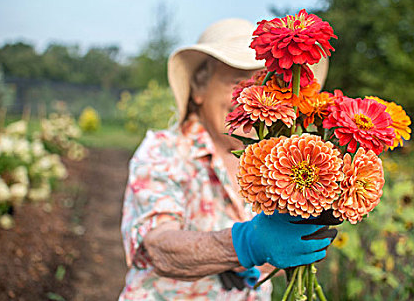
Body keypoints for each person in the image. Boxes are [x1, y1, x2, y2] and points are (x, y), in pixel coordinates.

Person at [119, 18, 336, 300]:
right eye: (236, 82)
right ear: (198, 90)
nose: (249, 97)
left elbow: (276, 252)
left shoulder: (280, 162)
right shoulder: (164, 150)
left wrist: (295, 241)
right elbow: (160, 248)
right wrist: (244, 245)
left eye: (261, 83)